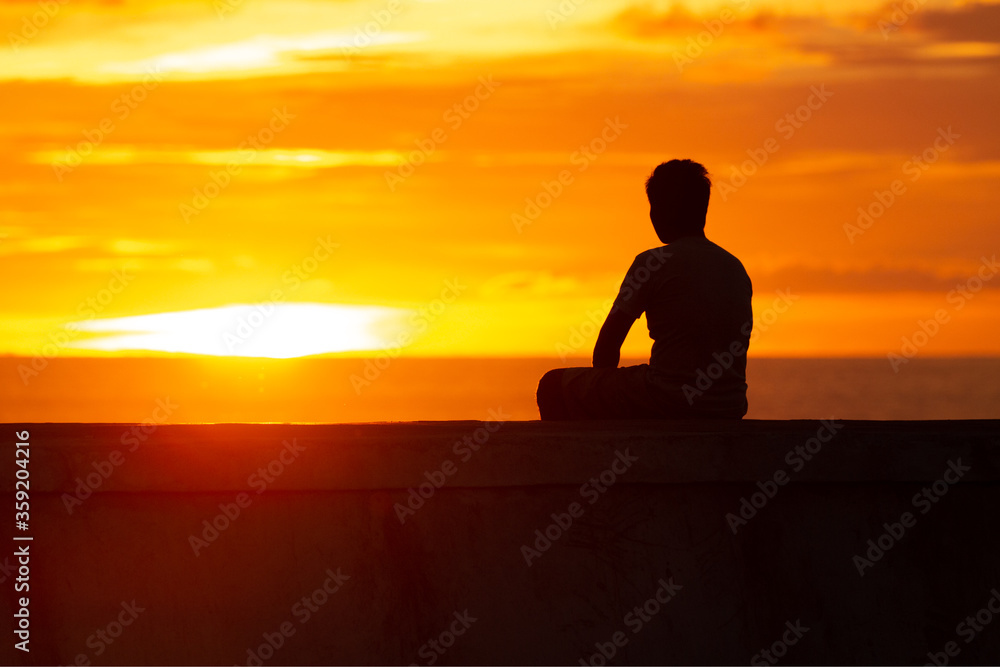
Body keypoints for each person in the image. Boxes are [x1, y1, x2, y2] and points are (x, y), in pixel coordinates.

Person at [536, 159, 753, 420]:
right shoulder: (735, 268)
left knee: (551, 385)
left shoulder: (652, 263)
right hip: (729, 406)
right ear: (703, 209)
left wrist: (602, 390)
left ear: (659, 211)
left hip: (670, 400)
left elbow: (607, 346)